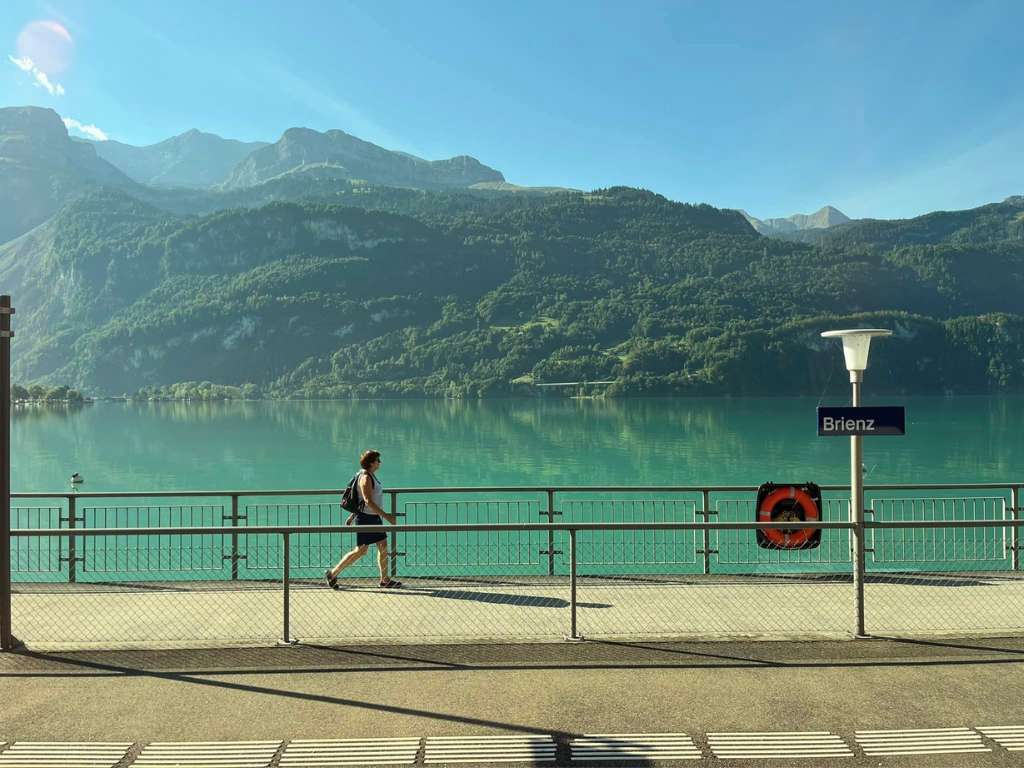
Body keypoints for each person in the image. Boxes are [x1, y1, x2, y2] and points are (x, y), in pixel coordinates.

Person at [325, 449, 403, 589]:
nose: (380, 462)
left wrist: (352, 516)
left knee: (383, 546)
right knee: (361, 550)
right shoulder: (366, 477)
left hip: (373, 518)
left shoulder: (369, 475)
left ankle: (384, 580)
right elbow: (367, 501)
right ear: (371, 463)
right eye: (378, 460)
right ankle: (333, 573)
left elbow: (360, 500)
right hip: (367, 518)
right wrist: (387, 517)